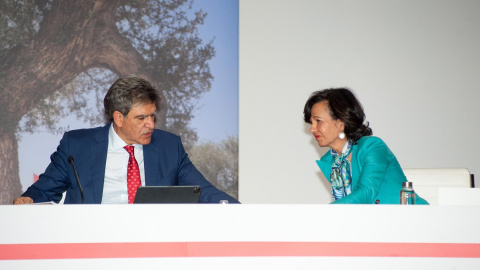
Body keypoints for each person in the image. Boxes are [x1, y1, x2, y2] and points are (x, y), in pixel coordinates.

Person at [14, 75, 239, 204]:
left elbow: (204, 192)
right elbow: (44, 191)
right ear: (119, 118)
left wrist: (244, 213)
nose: (150, 124)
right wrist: (28, 200)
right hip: (91, 243)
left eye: (152, 115)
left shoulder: (170, 147)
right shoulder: (77, 146)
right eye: (141, 118)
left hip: (152, 243)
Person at [303, 88, 428, 204]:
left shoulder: (372, 146)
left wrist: (320, 212)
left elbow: (366, 192)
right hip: (374, 223)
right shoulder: (332, 161)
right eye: (311, 123)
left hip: (413, 220)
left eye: (318, 121)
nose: (312, 129)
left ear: (341, 123)